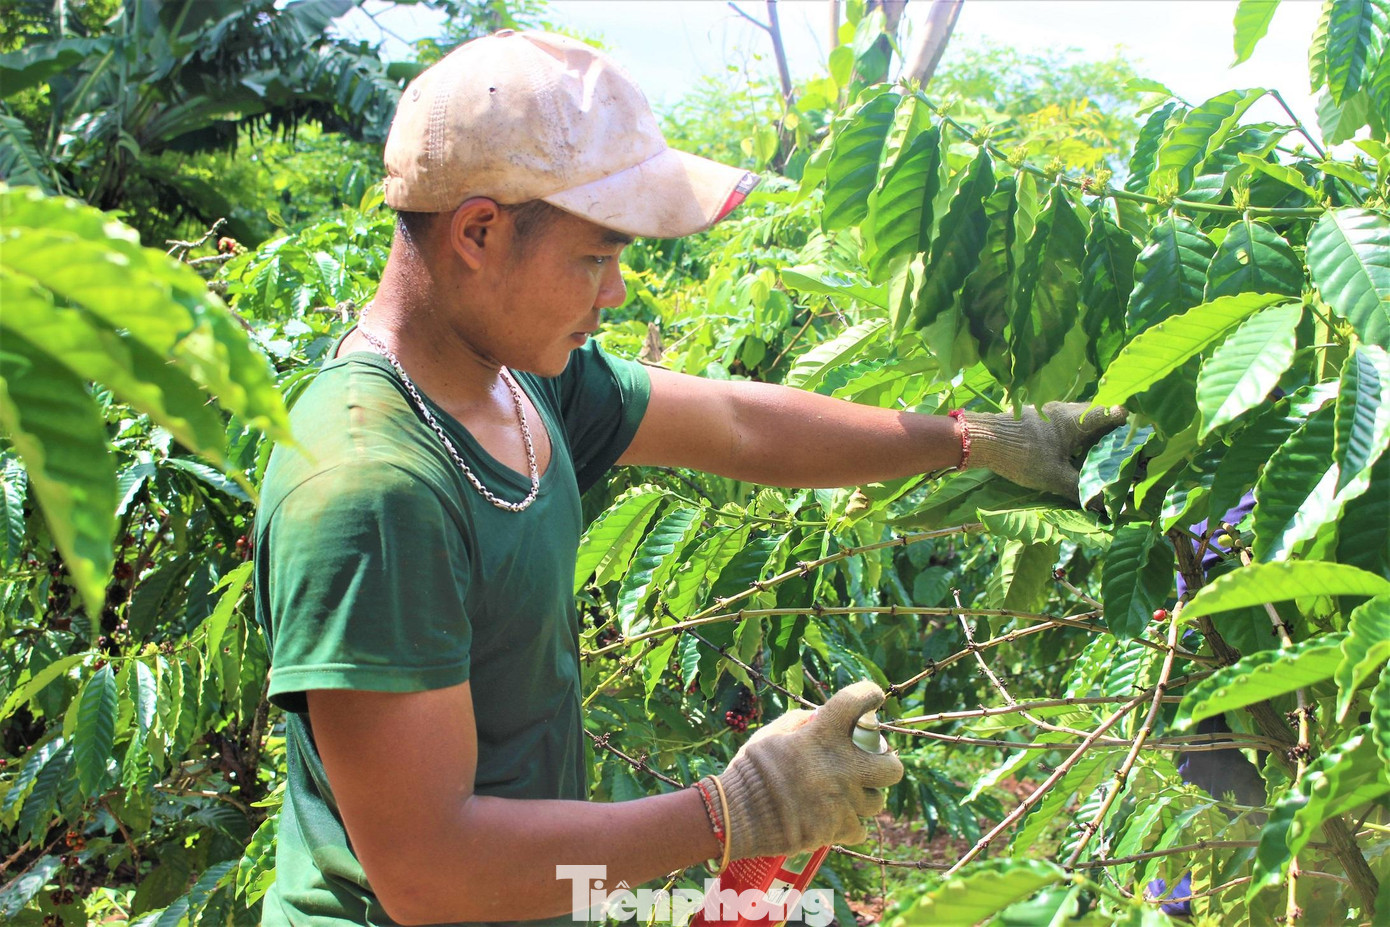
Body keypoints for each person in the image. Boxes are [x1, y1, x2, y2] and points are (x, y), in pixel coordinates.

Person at [251, 30, 1128, 926]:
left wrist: (976, 438)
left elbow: (742, 426)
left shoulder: (522, 382)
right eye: (596, 256)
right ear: (478, 231)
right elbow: (429, 874)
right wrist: (730, 810)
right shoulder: (371, 489)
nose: (617, 293)